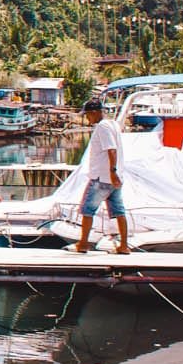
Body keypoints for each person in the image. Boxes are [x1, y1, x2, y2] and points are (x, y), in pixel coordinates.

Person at [73, 98, 130, 254]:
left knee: (87, 210)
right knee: (119, 211)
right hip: (114, 178)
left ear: (95, 113)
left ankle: (83, 243)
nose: (87, 118)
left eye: (88, 115)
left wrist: (112, 172)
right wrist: (116, 174)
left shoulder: (102, 127)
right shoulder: (113, 125)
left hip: (102, 178)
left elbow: (111, 150)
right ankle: (124, 245)